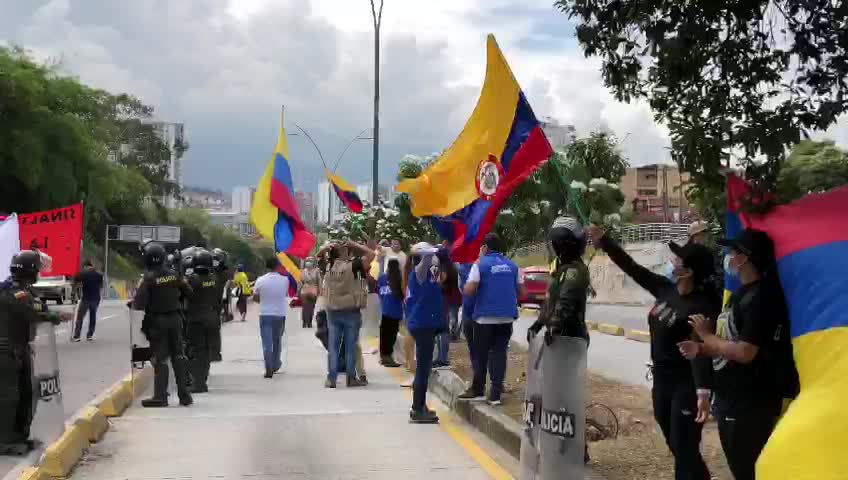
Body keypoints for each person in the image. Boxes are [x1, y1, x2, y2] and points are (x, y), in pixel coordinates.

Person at [587, 224, 717, 480]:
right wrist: (606, 242)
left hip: (686, 385)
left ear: (688, 271)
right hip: (662, 381)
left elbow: (702, 351)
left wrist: (703, 391)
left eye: (678, 258)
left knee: (684, 447)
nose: (673, 260)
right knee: (679, 447)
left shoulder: (700, 306)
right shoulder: (665, 290)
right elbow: (633, 268)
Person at [678, 229, 799, 480]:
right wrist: (701, 348)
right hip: (730, 399)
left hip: (750, 404)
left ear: (744, 258)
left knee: (748, 471)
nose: (728, 257)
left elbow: (745, 351)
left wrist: (707, 336)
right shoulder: (741, 294)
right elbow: (728, 341)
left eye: (732, 252)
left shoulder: (762, 298)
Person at [0, 251, 67, 454]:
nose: (39, 272)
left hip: (19, 349)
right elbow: (33, 311)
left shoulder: (23, 290)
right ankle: (4, 441)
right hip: (6, 352)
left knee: (27, 394)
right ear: (30, 270)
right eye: (37, 268)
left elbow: (38, 306)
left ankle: (19, 436)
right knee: (8, 397)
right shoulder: (11, 292)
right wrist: (55, 316)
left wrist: (49, 312)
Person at [459, 233, 524, 405]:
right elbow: (521, 292)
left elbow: (470, 290)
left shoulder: (480, 265)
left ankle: (478, 390)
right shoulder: (512, 266)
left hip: (485, 318)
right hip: (507, 318)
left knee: (481, 355)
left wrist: (467, 286)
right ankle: (495, 394)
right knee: (499, 353)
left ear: (485, 248)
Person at [132, 241, 194, 408]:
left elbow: (138, 304)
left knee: (160, 358)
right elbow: (188, 292)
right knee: (178, 355)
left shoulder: (149, 278)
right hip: (175, 319)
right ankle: (184, 395)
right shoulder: (175, 275)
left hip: (157, 321)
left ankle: (160, 396)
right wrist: (175, 300)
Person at [319, 240, 374, 388]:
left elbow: (318, 257)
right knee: (351, 346)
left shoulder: (328, 266)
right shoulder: (354, 265)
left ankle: (331, 378)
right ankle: (351, 378)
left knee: (333, 347)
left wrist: (326, 248)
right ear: (347, 252)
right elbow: (371, 254)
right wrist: (354, 244)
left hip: (332, 311)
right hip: (351, 310)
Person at [405, 242, 445, 423]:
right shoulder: (419, 272)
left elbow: (436, 265)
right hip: (422, 324)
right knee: (422, 369)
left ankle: (420, 406)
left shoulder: (429, 274)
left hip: (426, 323)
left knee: (425, 368)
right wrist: (435, 249)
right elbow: (428, 256)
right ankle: (417, 408)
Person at [185, 249, 222, 393]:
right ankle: (202, 380)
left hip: (196, 319)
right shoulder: (214, 279)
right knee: (206, 353)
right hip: (212, 318)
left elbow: (185, 294)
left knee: (196, 351)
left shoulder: (192, 279)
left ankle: (198, 383)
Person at [252, 256, 290, 378]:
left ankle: (268, 366)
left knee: (267, 342)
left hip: (265, 314)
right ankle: (275, 364)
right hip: (280, 314)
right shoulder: (285, 280)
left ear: (266, 266)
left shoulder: (260, 280)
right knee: (277, 341)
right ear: (278, 266)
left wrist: (263, 299)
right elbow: (284, 294)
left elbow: (256, 298)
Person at [434, 248, 461, 369]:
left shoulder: (444, 269)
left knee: (443, 331)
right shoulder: (452, 267)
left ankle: (442, 358)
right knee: (447, 326)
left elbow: (438, 283)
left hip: (445, 300)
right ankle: (442, 357)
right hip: (453, 299)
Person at [377, 258, 403, 367]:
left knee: (384, 336)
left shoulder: (382, 277)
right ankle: (388, 358)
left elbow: (378, 291)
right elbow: (403, 295)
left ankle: (384, 357)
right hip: (395, 312)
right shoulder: (398, 279)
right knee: (391, 336)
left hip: (384, 310)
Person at [72, 260, 103, 342]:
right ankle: (90, 335)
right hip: (96, 299)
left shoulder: (83, 274)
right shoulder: (99, 275)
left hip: (86, 299)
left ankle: (77, 336)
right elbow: (100, 286)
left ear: (85, 266)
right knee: (93, 317)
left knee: (80, 317)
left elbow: (75, 280)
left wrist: (74, 292)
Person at [210, 248, 230, 361]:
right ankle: (215, 353)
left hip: (214, 304)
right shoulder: (222, 274)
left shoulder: (222, 274)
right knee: (215, 328)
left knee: (215, 327)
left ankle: (215, 352)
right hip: (215, 304)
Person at [299, 257, 321, 328]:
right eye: (307, 261)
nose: (309, 262)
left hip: (313, 289)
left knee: (311, 306)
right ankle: (304, 321)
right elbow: (300, 281)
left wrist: (320, 290)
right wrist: (299, 289)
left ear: (313, 263)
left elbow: (319, 281)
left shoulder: (316, 271)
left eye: (310, 261)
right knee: (305, 306)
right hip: (305, 290)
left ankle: (309, 322)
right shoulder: (303, 271)